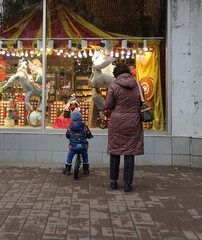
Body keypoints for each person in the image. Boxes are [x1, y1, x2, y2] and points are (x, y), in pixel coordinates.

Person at [104, 62, 144, 192]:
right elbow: (141, 102)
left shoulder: (114, 86)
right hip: (134, 121)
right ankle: (127, 184)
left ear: (116, 74)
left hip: (117, 122)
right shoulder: (138, 85)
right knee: (130, 152)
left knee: (115, 151)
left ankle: (114, 181)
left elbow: (108, 105)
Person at [63, 110, 93, 175]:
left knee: (70, 156)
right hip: (83, 146)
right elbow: (88, 134)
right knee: (85, 156)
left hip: (73, 146)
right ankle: (86, 170)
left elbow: (67, 135)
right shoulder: (84, 126)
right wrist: (90, 136)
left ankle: (67, 170)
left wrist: (69, 137)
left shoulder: (70, 127)